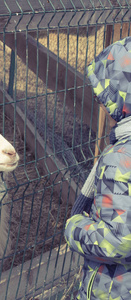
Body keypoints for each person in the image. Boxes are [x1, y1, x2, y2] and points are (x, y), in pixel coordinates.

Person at [65, 36, 131, 299]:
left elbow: (118, 240)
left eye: (102, 94)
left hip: (113, 289)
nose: (98, 101)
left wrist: (75, 228)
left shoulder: (120, 160)